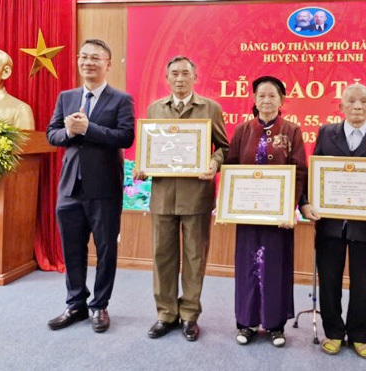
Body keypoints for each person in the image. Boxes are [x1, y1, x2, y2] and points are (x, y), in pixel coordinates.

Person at [134, 56, 229, 342]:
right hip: (163, 195)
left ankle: (189, 314)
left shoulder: (211, 108)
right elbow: (149, 149)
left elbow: (224, 147)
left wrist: (214, 162)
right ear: (167, 78)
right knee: (162, 255)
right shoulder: (154, 109)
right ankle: (165, 313)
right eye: (174, 74)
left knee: (194, 257)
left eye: (185, 73)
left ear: (195, 77)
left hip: (196, 196)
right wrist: (142, 166)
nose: (179, 79)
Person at [303, 84, 366, 357]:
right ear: (341, 106)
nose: (357, 106)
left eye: (363, 101)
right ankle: (333, 333)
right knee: (330, 281)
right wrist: (305, 203)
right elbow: (313, 175)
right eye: (351, 101)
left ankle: (359, 335)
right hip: (330, 225)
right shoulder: (326, 133)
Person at [46, 39, 134, 333]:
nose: (88, 62)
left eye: (95, 58)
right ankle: (75, 304)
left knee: (106, 249)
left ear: (108, 64)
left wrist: (90, 129)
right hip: (70, 187)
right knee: (72, 248)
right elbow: (52, 134)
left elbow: (125, 137)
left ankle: (100, 306)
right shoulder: (66, 97)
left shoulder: (121, 100)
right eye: (83, 57)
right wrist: (69, 132)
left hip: (104, 188)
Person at [226, 75, 307, 347]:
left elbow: (299, 172)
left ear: (282, 101)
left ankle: (275, 325)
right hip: (247, 214)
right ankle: (246, 322)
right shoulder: (242, 131)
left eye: (273, 96)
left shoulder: (292, 131)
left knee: (275, 265)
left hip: (277, 218)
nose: (267, 101)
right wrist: (228, 204)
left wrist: (289, 208)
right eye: (261, 95)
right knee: (247, 266)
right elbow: (231, 169)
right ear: (254, 99)